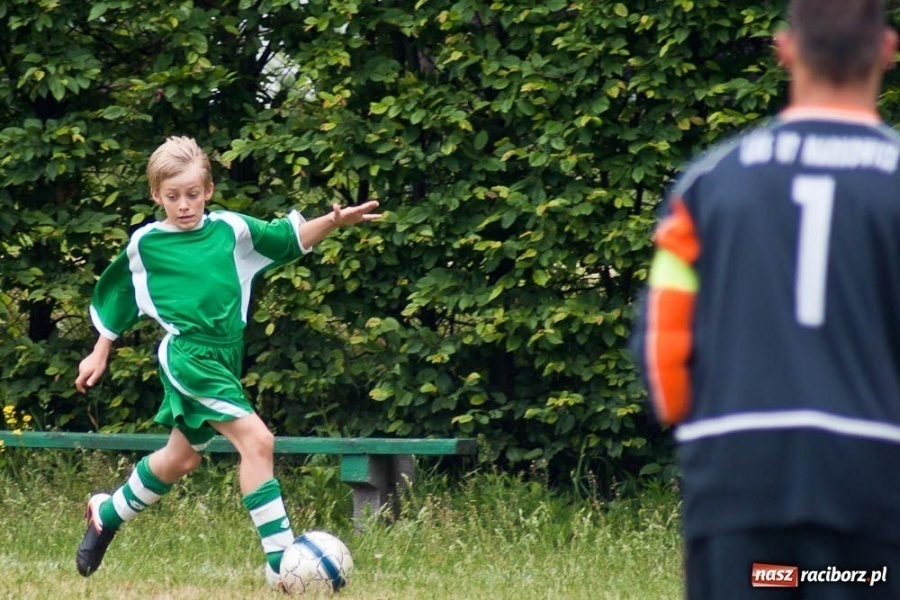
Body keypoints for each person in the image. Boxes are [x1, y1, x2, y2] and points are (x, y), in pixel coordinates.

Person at [631, 0, 900, 598]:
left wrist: (710, 446)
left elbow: (663, 356)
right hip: (876, 487)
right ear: (887, 49)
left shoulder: (708, 183)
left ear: (785, 50)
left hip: (740, 482)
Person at [73, 136, 380, 588]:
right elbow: (117, 292)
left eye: (192, 194)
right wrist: (101, 347)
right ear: (157, 196)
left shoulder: (230, 230)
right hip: (189, 358)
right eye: (173, 197)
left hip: (225, 356)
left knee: (180, 461)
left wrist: (334, 221)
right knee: (258, 442)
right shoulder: (147, 244)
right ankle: (281, 566)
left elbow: (287, 238)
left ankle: (107, 512)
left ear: (209, 190)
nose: (184, 205)